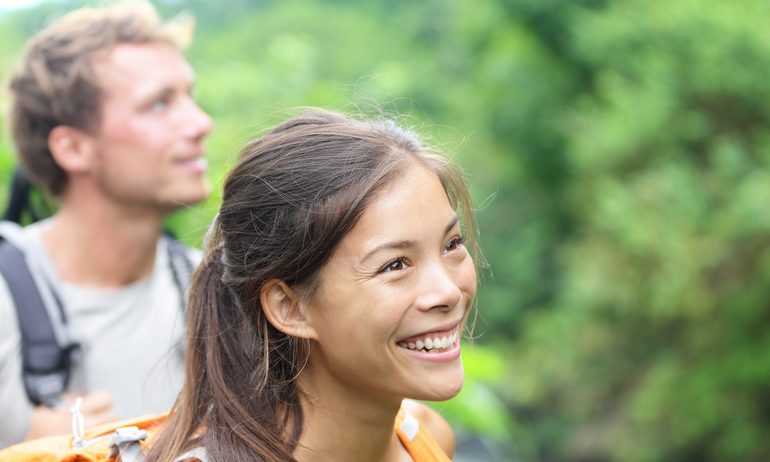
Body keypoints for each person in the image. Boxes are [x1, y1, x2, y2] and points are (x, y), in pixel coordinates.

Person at [145, 109, 480, 462]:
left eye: (452, 244)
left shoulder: (425, 437)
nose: (447, 291)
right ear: (289, 307)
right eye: (394, 265)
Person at [0, 1, 213, 447]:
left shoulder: (213, 291)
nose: (200, 123)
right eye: (159, 104)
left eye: (189, 96)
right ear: (73, 148)